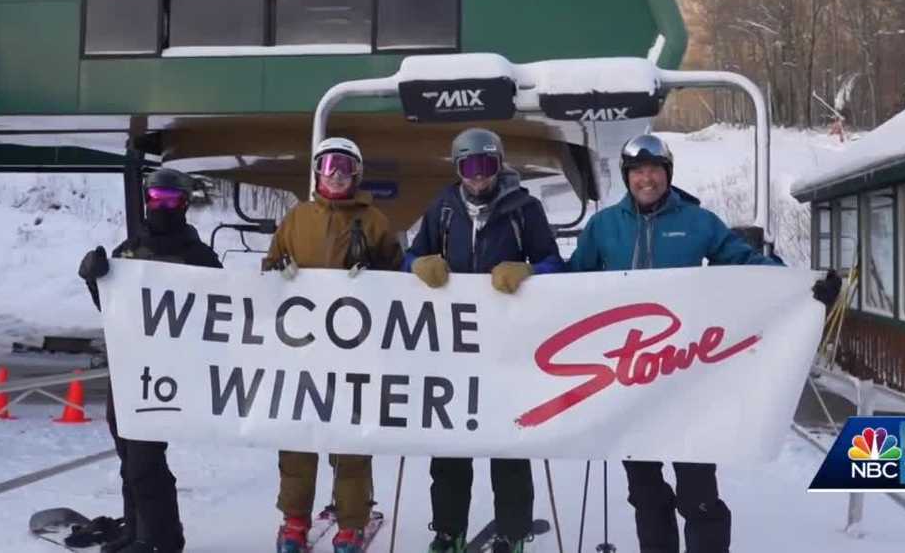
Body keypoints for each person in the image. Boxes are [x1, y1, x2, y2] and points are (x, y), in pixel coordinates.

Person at [569, 134, 841, 553]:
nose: (647, 178)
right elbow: (572, 283)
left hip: (686, 380)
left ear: (668, 173)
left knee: (697, 492)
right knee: (645, 492)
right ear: (627, 177)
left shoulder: (698, 222)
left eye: (655, 170)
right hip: (626, 384)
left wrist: (801, 285)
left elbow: (746, 265)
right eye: (638, 171)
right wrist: (529, 281)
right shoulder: (603, 227)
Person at [405, 128, 565, 553]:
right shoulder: (442, 208)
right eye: (469, 168)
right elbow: (411, 256)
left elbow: (554, 262)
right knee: (451, 446)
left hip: (508, 348)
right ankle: (449, 529)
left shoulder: (523, 209)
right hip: (453, 349)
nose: (479, 178)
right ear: (458, 170)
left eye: (487, 166)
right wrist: (418, 264)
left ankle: (512, 532)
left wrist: (529, 272)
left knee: (508, 442)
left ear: (499, 166)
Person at [263, 137, 403, 553]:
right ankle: (294, 521)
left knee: (350, 442)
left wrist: (376, 274)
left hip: (354, 353)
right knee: (297, 438)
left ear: (356, 174)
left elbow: (400, 280)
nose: (337, 175)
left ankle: (351, 524)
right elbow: (269, 269)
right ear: (317, 172)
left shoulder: (373, 220)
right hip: (302, 351)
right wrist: (276, 271)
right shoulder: (296, 218)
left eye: (345, 167)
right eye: (329, 166)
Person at [76, 167, 222, 553]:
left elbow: (222, 315)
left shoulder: (199, 256)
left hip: (168, 371)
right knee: (128, 455)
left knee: (144, 458)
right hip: (128, 365)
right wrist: (96, 279)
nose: (163, 205)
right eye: (157, 197)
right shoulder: (129, 250)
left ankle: (155, 539)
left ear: (185, 204)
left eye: (172, 198)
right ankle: (140, 530)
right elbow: (112, 311)